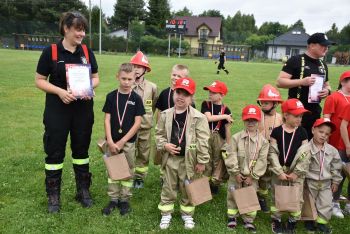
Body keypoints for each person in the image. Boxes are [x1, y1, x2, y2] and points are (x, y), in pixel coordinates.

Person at [35, 11, 99, 213]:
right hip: (57, 110)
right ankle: (53, 196)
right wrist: (60, 92)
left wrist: (89, 88)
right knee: (54, 152)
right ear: (66, 29)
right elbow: (39, 80)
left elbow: (96, 77)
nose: (81, 34)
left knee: (81, 151)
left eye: (83, 30)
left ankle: (83, 191)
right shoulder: (51, 52)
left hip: (82, 110)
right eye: (78, 30)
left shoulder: (87, 52)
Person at [156, 77, 210, 230]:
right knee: (168, 186)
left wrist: (202, 161)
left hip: (190, 161)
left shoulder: (199, 117)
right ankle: (166, 213)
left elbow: (203, 141)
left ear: (191, 97)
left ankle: (187, 214)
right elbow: (158, 135)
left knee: (188, 187)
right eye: (178, 92)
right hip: (170, 159)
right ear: (173, 92)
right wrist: (164, 145)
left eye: (185, 94)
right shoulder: (166, 114)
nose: (180, 97)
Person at [101, 63, 145, 216]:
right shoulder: (111, 96)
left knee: (128, 170)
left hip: (128, 143)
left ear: (135, 79)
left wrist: (122, 142)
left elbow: (137, 122)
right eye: (123, 78)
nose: (126, 82)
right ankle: (113, 199)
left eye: (130, 79)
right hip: (112, 142)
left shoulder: (136, 98)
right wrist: (111, 141)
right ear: (117, 77)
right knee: (113, 169)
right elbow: (107, 119)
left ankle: (124, 199)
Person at [276, 33, 335, 140]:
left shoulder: (323, 64)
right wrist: (302, 82)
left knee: (310, 142)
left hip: (314, 112)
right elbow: (280, 82)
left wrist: (327, 91)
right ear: (312, 45)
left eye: (327, 46)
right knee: (293, 142)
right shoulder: (295, 60)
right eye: (323, 45)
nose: (326, 48)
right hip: (295, 112)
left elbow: (328, 85)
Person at [224, 104, 269, 232]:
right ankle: (232, 217)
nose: (251, 122)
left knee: (250, 195)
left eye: (254, 120)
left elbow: (262, 160)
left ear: (258, 121)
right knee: (233, 194)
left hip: (252, 176)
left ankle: (248, 219)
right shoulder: (236, 138)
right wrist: (235, 172)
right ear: (244, 120)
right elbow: (231, 155)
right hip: (236, 174)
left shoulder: (263, 142)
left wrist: (253, 176)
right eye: (248, 119)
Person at [269, 98, 310, 233]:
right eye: (296, 116)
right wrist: (278, 171)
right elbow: (272, 153)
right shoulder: (275, 132)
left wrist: (297, 173)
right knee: (277, 195)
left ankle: (293, 220)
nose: (300, 119)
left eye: (301, 116)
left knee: (297, 196)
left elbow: (305, 155)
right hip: (279, 171)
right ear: (286, 115)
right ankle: (276, 219)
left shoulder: (303, 132)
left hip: (296, 173)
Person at [303, 119, 342, 234]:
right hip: (310, 181)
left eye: (327, 134)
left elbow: (336, 167)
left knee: (326, 203)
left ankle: (322, 223)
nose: (323, 135)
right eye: (321, 132)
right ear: (313, 130)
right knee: (309, 202)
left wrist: (335, 181)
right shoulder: (305, 149)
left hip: (325, 184)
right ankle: (309, 221)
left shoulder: (332, 150)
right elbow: (301, 166)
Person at [323, 70, 350, 218]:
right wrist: (326, 137)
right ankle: (334, 202)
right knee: (337, 173)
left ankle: (348, 204)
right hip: (337, 141)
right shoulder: (334, 97)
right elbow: (327, 118)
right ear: (343, 82)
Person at [130, 51, 158, 188]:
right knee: (128, 151)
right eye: (134, 66)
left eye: (139, 67)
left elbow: (152, 106)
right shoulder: (127, 84)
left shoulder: (152, 87)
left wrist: (146, 119)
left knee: (143, 152)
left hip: (145, 127)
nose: (136, 69)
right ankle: (126, 174)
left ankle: (139, 177)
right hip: (128, 127)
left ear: (145, 70)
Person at [201, 80, 233, 194]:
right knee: (206, 159)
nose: (210, 94)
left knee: (217, 160)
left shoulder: (226, 109)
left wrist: (228, 145)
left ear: (222, 95)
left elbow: (227, 129)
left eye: (213, 92)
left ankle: (214, 184)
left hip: (219, 137)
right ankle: (204, 184)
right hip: (206, 135)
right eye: (209, 91)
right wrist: (224, 116)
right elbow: (208, 118)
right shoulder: (206, 104)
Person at [256, 84, 284, 212]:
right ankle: (250, 197)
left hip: (272, 153)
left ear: (275, 104)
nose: (263, 105)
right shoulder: (257, 116)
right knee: (255, 174)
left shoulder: (280, 118)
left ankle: (261, 198)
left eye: (266, 103)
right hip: (257, 152)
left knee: (266, 178)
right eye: (262, 102)